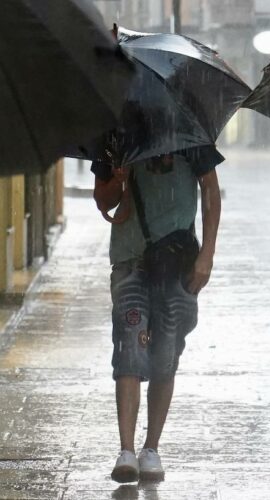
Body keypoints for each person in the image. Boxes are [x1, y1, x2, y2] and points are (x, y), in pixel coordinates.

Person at [92, 147, 222, 483]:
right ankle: (126, 450)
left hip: (176, 262)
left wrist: (206, 255)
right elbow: (103, 201)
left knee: (165, 355)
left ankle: (151, 448)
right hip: (130, 260)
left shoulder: (188, 128)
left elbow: (210, 189)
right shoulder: (115, 134)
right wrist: (118, 179)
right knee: (129, 347)